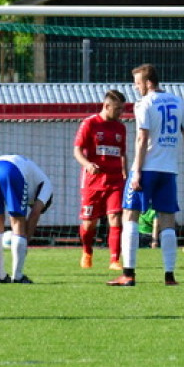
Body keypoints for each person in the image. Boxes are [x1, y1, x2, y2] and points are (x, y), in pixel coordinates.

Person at [110, 64, 184, 287]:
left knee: (130, 215)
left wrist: (137, 171)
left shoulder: (144, 103)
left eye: (138, 83)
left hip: (147, 168)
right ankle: (169, 276)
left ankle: (128, 274)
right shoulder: (178, 101)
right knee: (167, 220)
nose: (135, 87)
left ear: (148, 82)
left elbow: (142, 139)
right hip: (168, 170)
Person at [73, 89, 127, 271]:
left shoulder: (121, 128)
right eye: (118, 109)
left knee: (116, 218)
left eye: (122, 109)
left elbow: (122, 153)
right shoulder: (90, 124)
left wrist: (125, 172)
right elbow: (77, 150)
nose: (121, 113)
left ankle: (114, 260)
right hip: (93, 181)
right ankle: (87, 252)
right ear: (106, 106)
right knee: (89, 223)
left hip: (115, 181)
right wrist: (87, 164)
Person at [0, 154, 54, 284]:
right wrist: (25, 242)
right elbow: (35, 213)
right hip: (12, 170)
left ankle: (1, 276)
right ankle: (18, 276)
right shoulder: (47, 187)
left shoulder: (34, 178)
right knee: (17, 222)